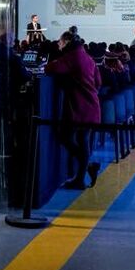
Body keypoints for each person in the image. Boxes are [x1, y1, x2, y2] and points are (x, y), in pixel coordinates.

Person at [45, 31, 102, 190]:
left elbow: (50, 68)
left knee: (65, 137)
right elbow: (98, 82)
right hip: (92, 106)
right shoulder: (87, 57)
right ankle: (81, 177)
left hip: (79, 107)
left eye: (61, 41)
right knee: (83, 141)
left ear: (67, 41)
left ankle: (87, 168)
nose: (59, 44)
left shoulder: (72, 56)